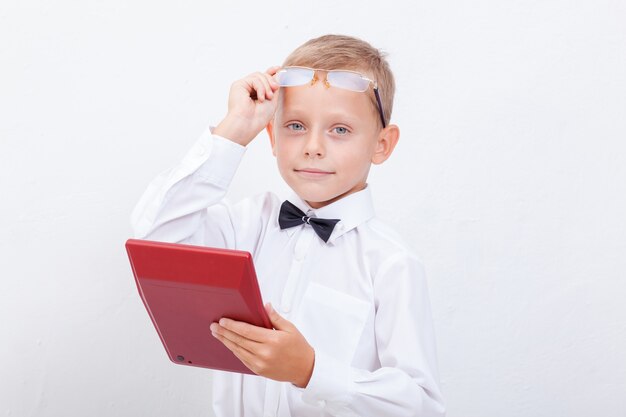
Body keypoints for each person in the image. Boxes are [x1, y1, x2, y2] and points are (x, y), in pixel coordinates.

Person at [130, 34, 445, 417]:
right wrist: (235, 128)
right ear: (272, 136)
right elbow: (155, 238)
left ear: (382, 144)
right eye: (295, 125)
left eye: (340, 130)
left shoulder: (392, 262)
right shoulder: (244, 225)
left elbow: (420, 403)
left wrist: (311, 370)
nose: (313, 146)